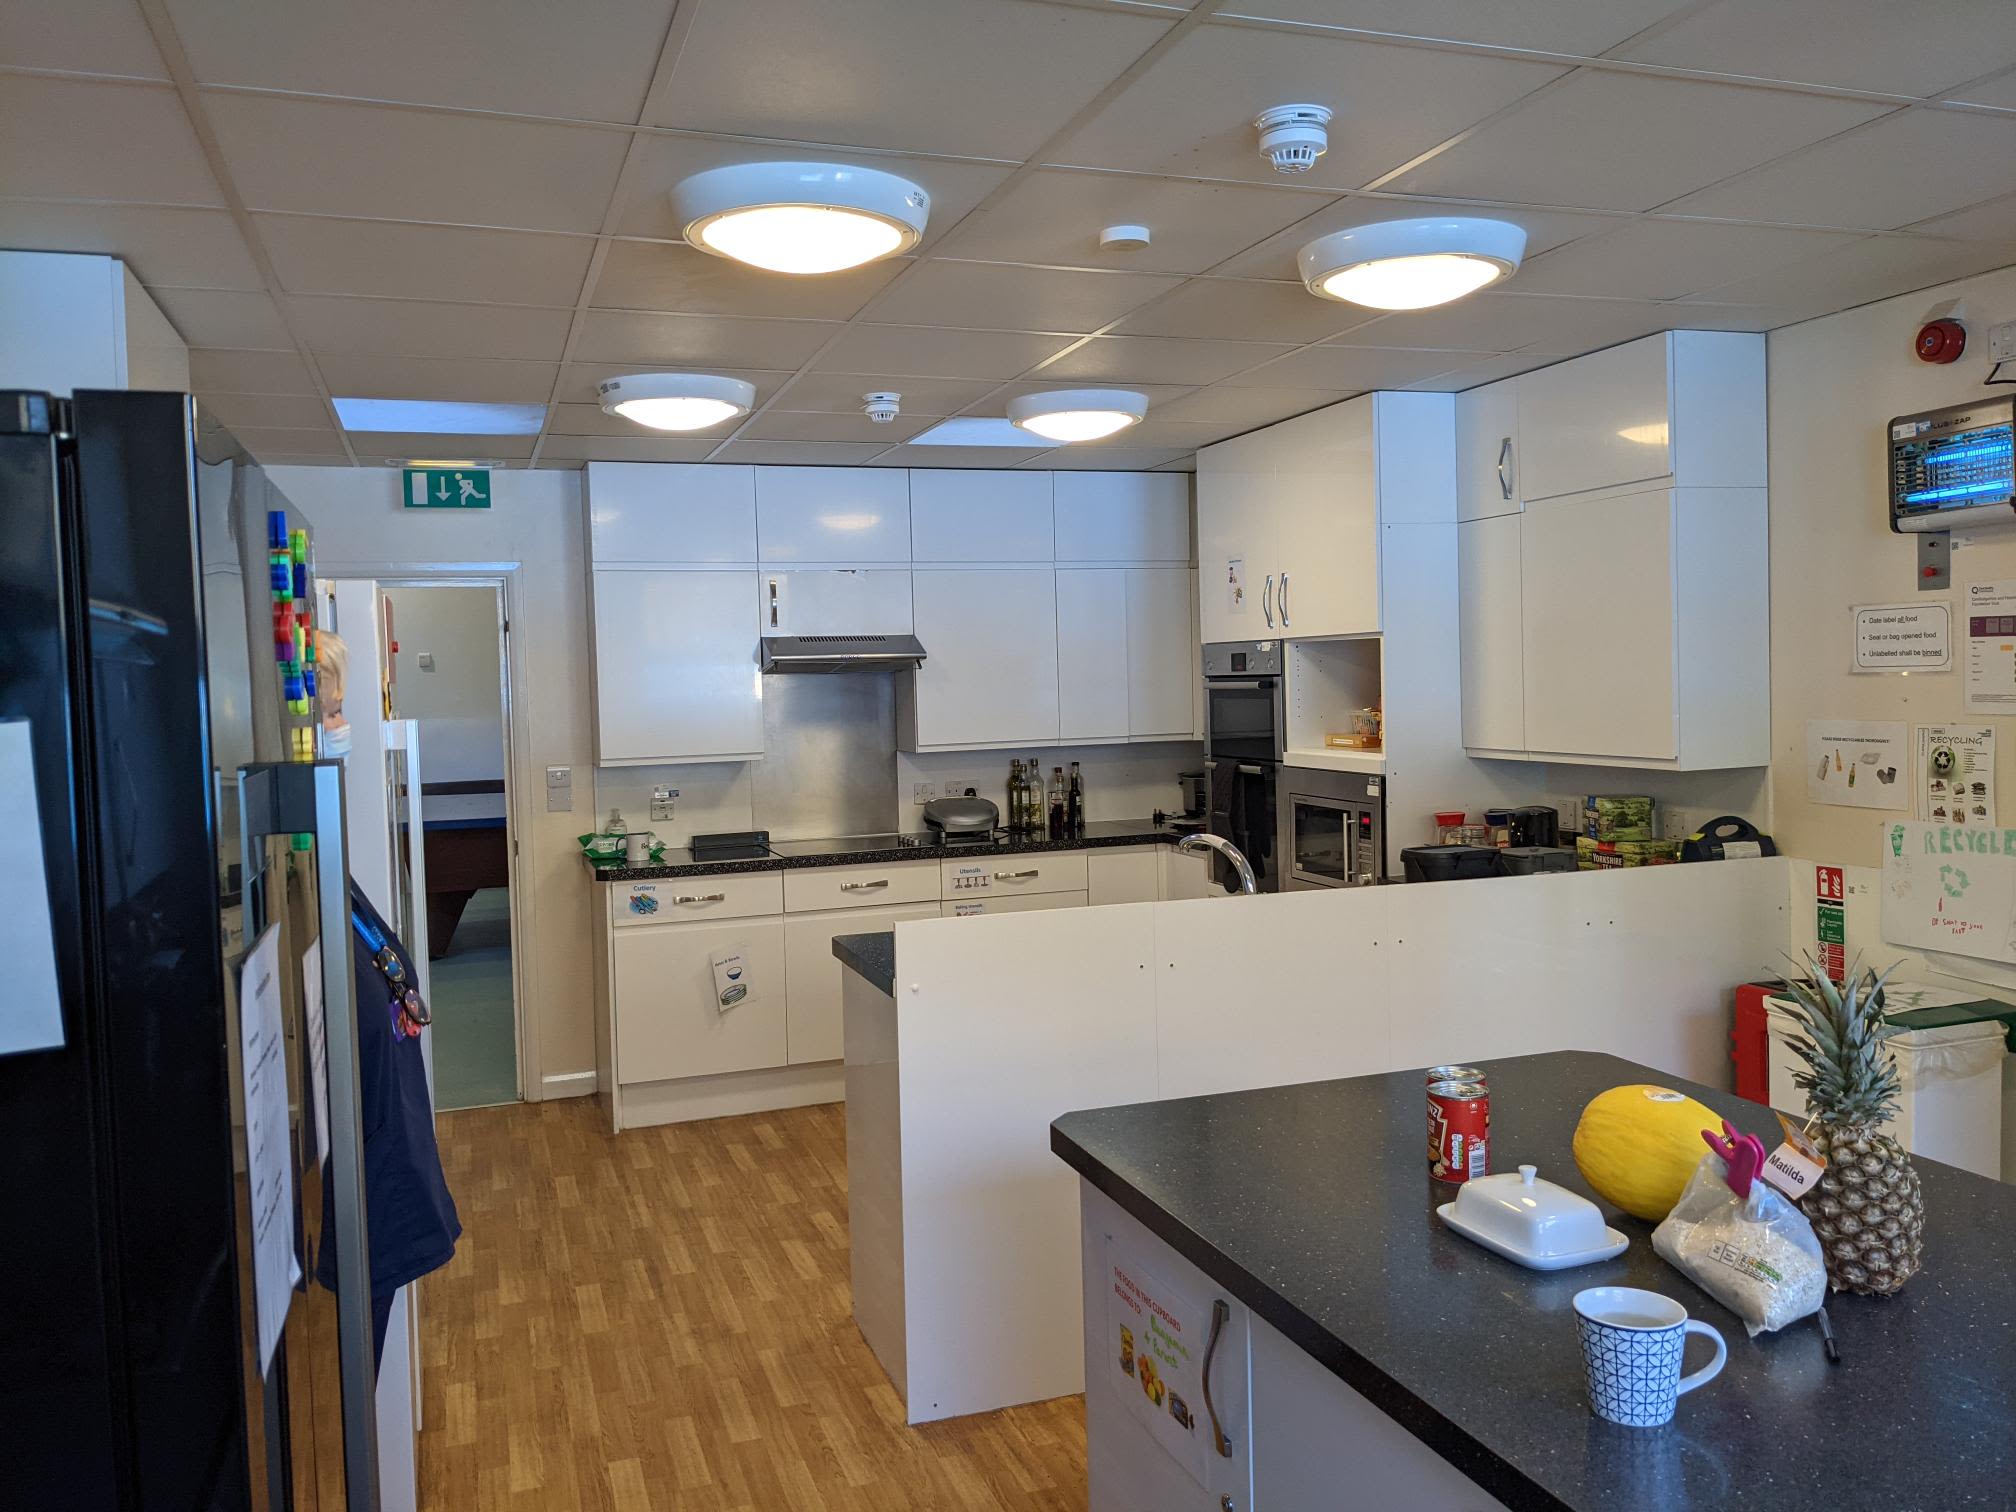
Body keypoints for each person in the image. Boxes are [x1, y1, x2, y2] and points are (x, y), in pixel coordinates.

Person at [314, 630, 460, 1370]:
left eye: (343, 711)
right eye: (330, 712)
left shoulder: (329, 872)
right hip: (360, 1188)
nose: (339, 727)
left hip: (385, 1170)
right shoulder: (302, 890)